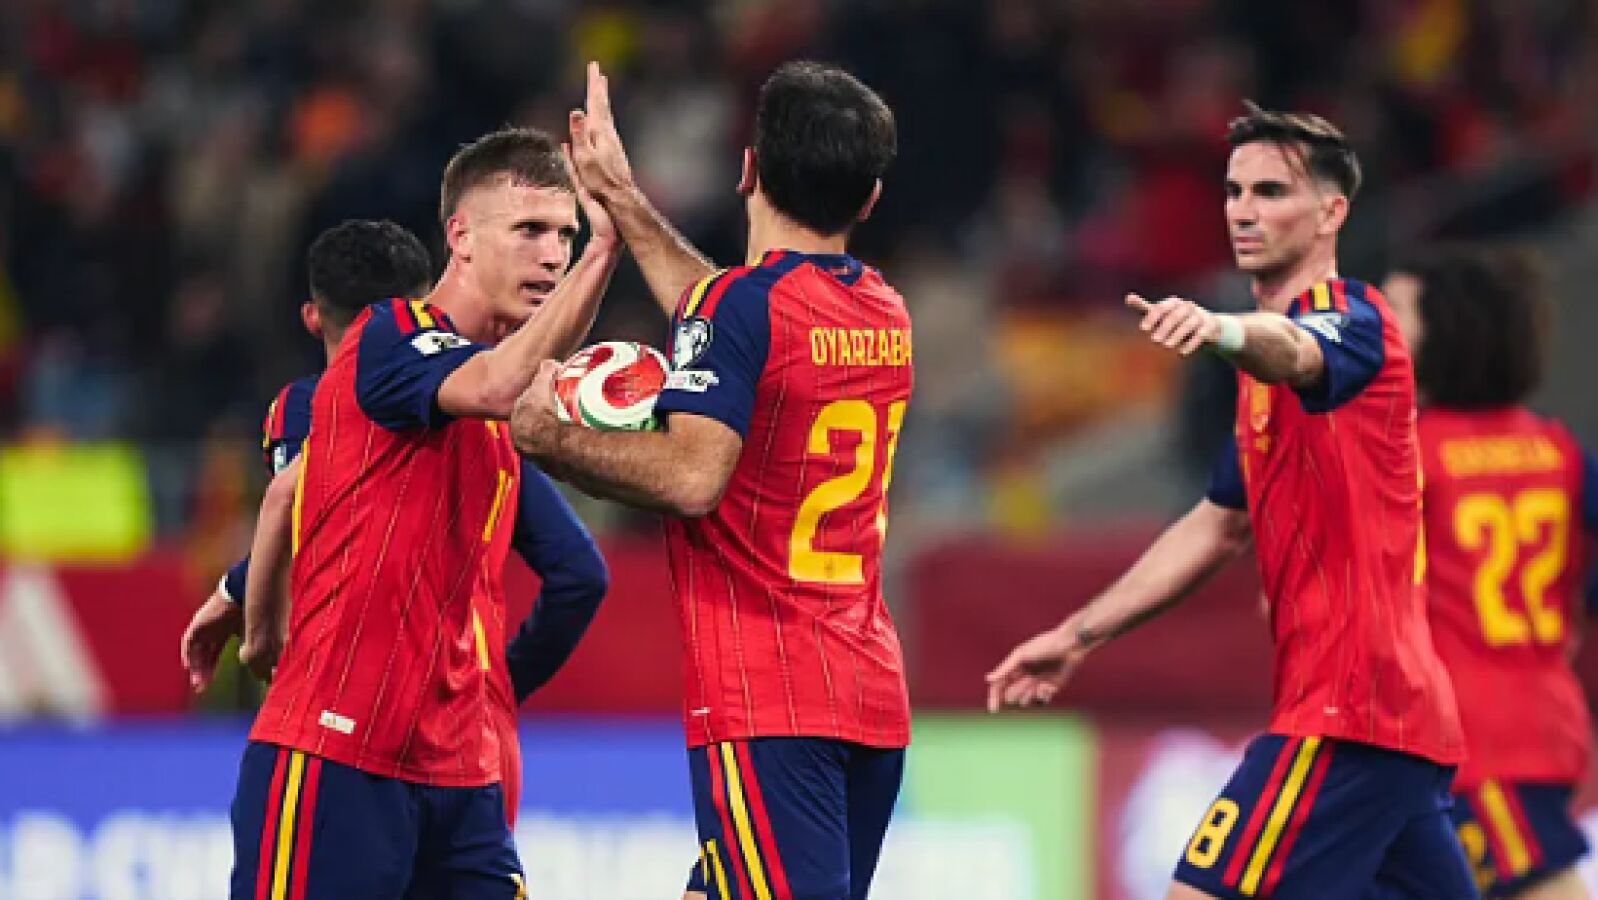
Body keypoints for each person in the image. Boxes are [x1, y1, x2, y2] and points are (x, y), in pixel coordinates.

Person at [985, 102, 1476, 899]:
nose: (1244, 210)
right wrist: (1077, 635)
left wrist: (1220, 330)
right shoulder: (1260, 381)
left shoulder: (1356, 322)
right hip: (1394, 726)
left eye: (1271, 192)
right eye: (1234, 190)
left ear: (1332, 212)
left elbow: (1298, 350)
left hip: (1349, 714)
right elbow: (1217, 525)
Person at [511, 62, 909, 900]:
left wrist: (551, 440)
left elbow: (693, 477)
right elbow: (732, 320)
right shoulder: (883, 311)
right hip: (867, 697)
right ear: (870, 199)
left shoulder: (736, 309)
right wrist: (625, 199)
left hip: (770, 701)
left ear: (747, 168)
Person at [229, 129, 619, 899]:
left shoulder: (497, 416)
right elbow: (284, 492)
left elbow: (304, 493)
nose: (554, 255)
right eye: (530, 230)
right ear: (461, 237)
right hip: (336, 757)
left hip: (460, 776)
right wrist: (608, 248)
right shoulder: (390, 335)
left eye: (568, 236)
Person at [1386, 246, 1598, 900]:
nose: (1378, 330)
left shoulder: (1409, 455)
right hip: (1537, 722)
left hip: (1471, 743)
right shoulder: (1560, 450)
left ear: (1443, 332)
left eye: (1397, 313)